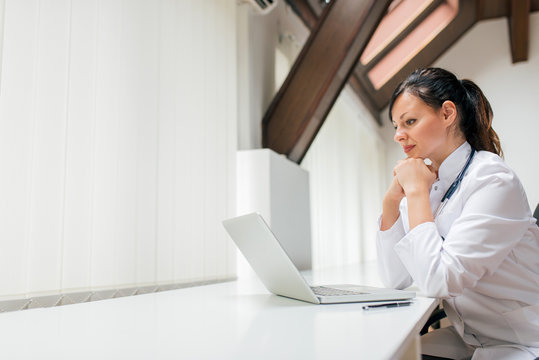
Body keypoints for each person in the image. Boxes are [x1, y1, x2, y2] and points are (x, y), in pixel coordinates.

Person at [376, 67, 539, 360]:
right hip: (470, 335)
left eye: (410, 121)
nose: (399, 136)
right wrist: (391, 203)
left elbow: (440, 280)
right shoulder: (428, 181)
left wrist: (415, 194)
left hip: (520, 340)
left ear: (448, 114)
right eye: (396, 126)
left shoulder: (492, 179)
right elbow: (395, 279)